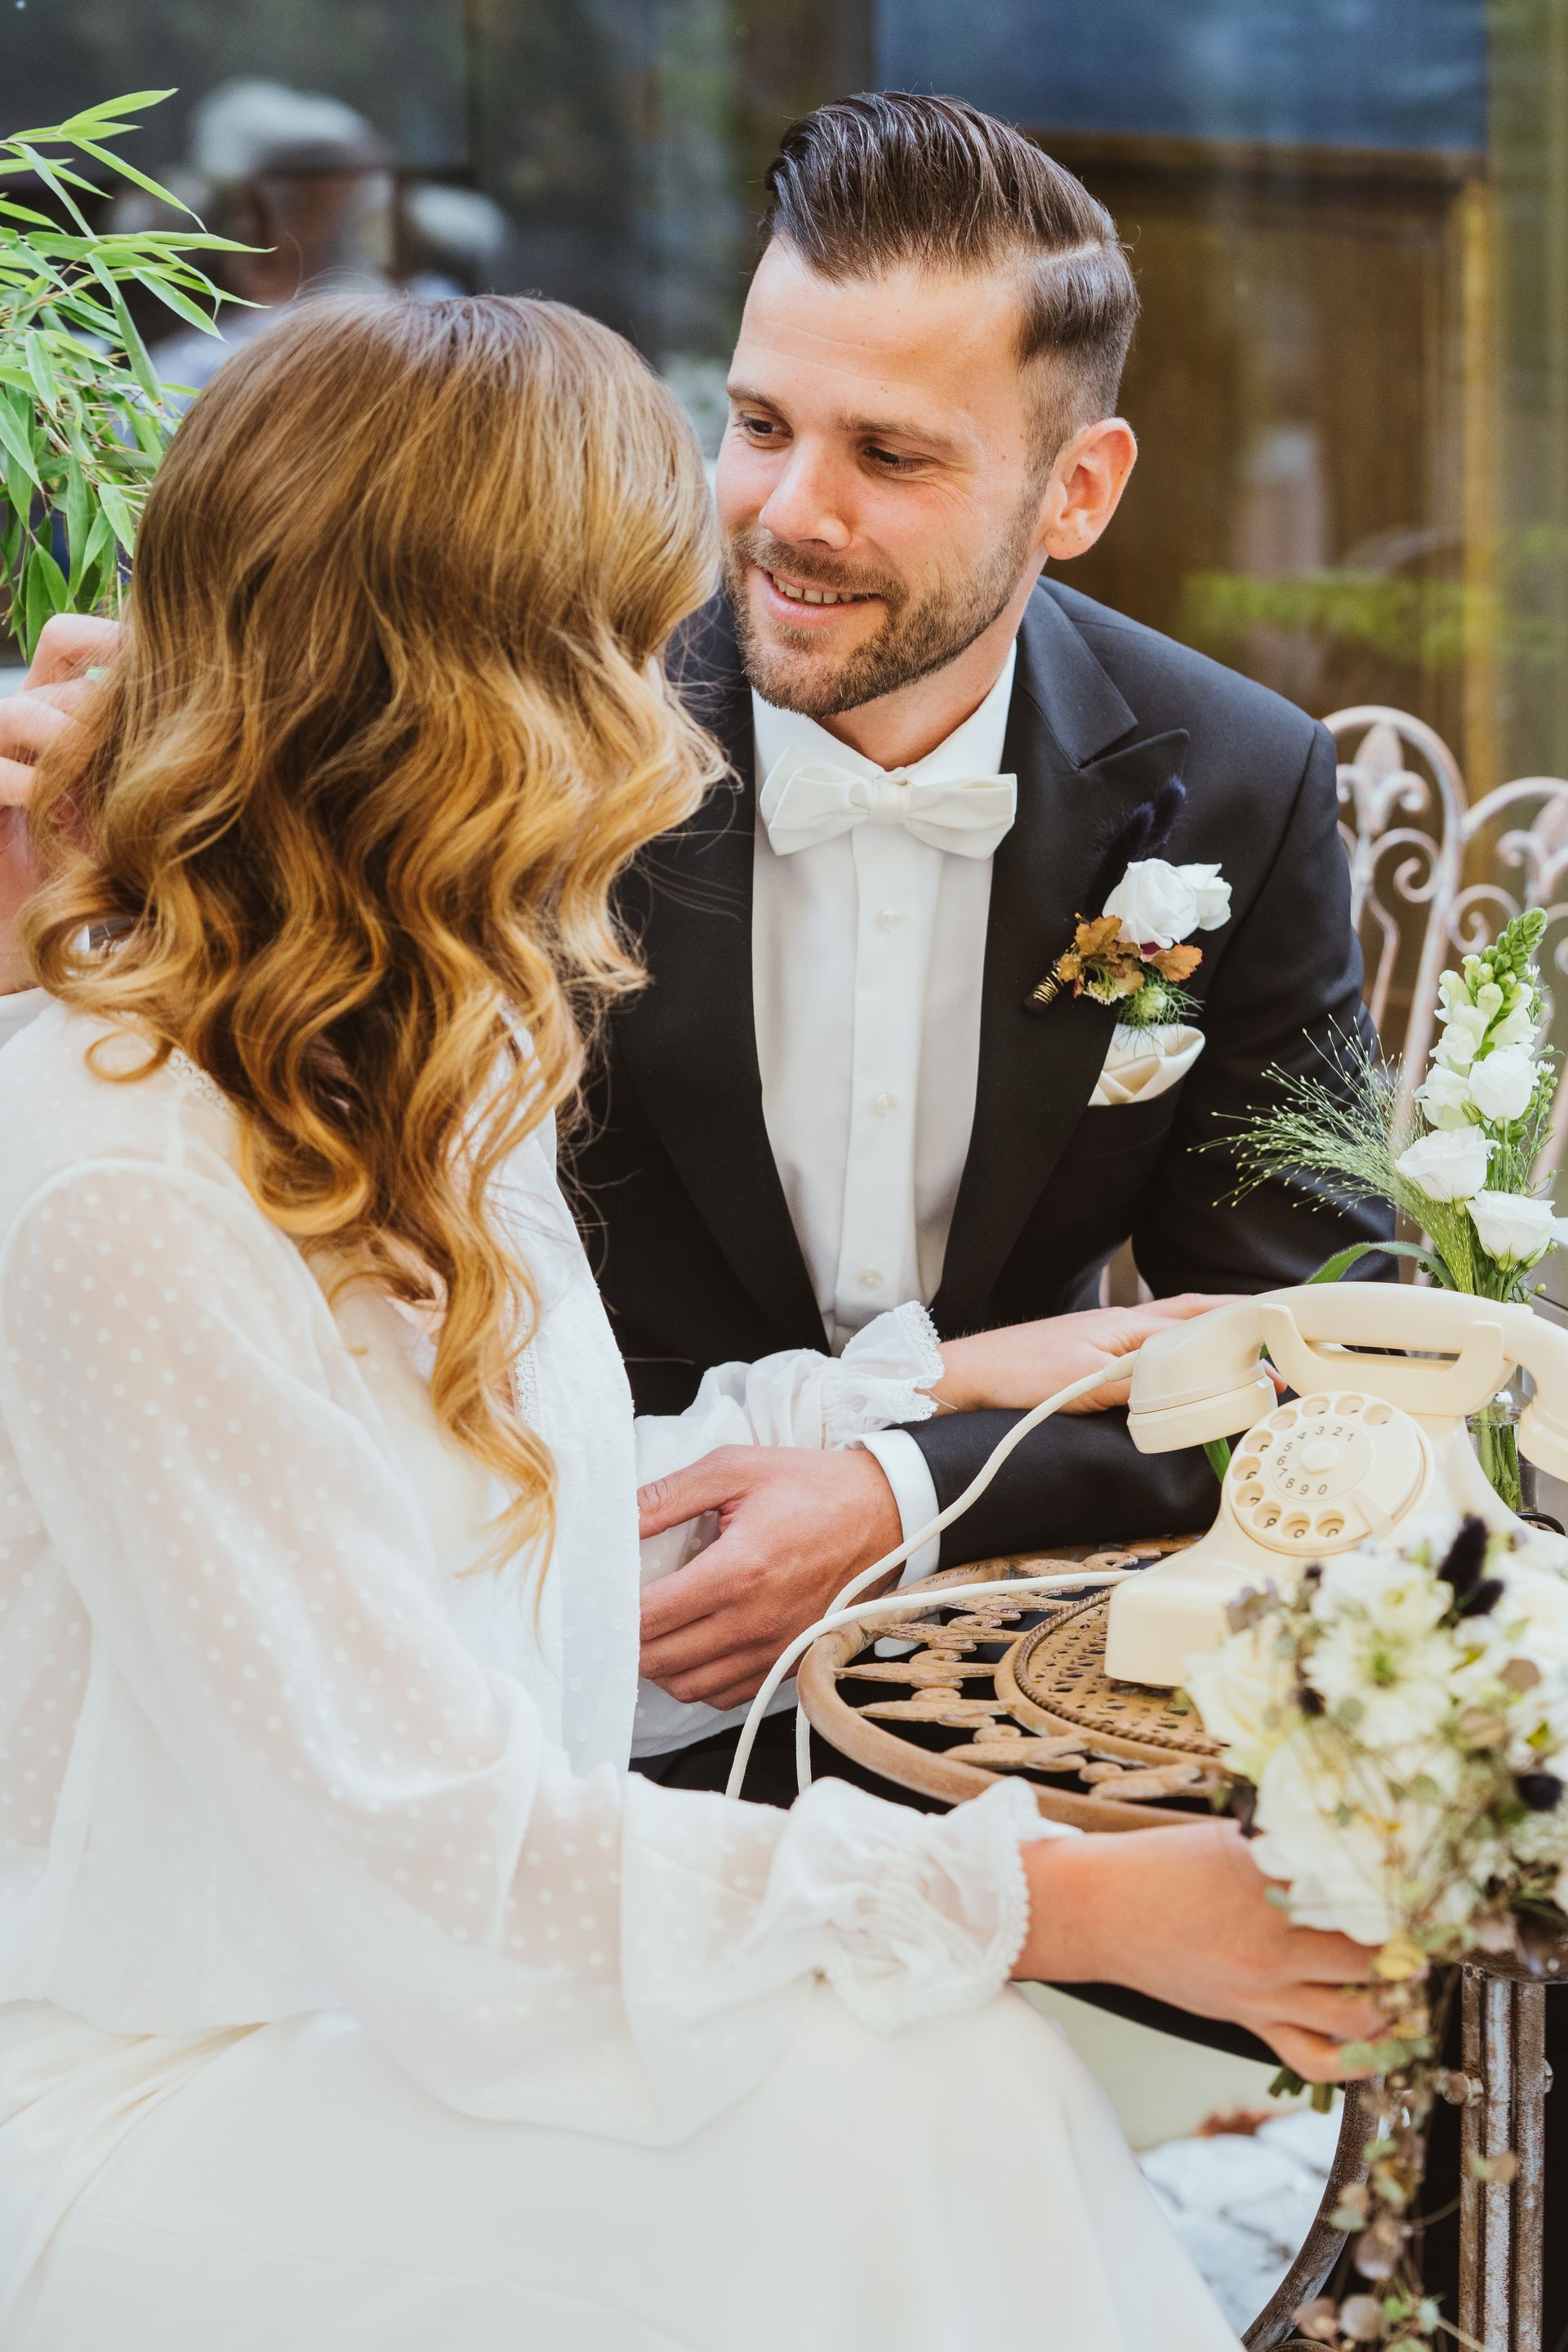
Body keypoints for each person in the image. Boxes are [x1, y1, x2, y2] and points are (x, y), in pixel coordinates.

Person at [0, 292, 1385, 2350]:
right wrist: (1061, 1902)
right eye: (641, 651)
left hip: (355, 2003)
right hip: (150, 2081)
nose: (686, 728)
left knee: (953, 2091)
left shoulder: (430, 1070)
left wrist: (934, 1391)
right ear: (486, 700)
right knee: (896, 2120)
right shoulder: (127, 1182)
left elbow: (488, 1574)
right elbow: (438, 1864)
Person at [572, 91, 1392, 1795]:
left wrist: (909, 1491)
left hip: (1031, 1667)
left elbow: (1315, 1350)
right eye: (760, 424)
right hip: (585, 1677)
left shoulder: (1236, 782)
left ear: (1077, 490)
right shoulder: (549, 731)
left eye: (890, 456)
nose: (788, 514)